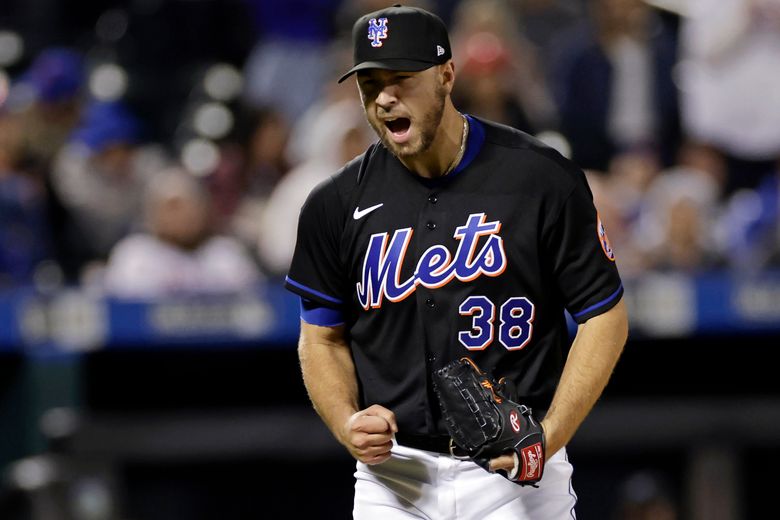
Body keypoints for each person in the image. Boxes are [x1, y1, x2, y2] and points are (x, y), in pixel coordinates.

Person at [284, 5, 628, 519]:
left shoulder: (540, 178)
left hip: (517, 475)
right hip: (394, 477)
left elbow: (605, 315)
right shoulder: (333, 203)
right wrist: (344, 421)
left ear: (447, 74)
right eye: (370, 83)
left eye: (401, 78)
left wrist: (548, 438)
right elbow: (321, 336)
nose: (384, 98)